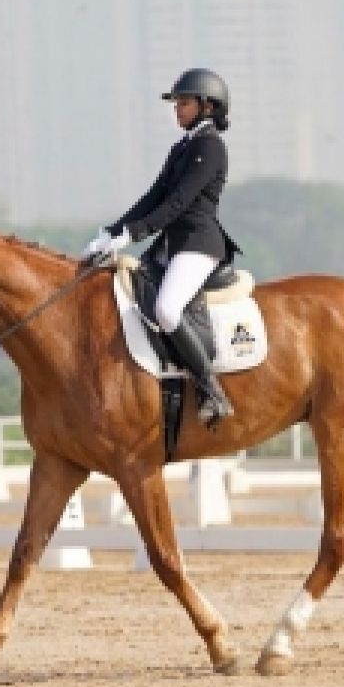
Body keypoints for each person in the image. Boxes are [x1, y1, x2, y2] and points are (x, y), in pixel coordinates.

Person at [82, 68, 242, 427]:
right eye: (176, 104)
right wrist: (112, 231)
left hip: (197, 245)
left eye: (183, 103)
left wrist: (133, 235)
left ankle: (210, 389)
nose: (177, 110)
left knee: (168, 311)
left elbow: (179, 204)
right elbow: (153, 197)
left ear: (206, 106)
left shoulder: (210, 146)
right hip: (170, 245)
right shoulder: (183, 147)